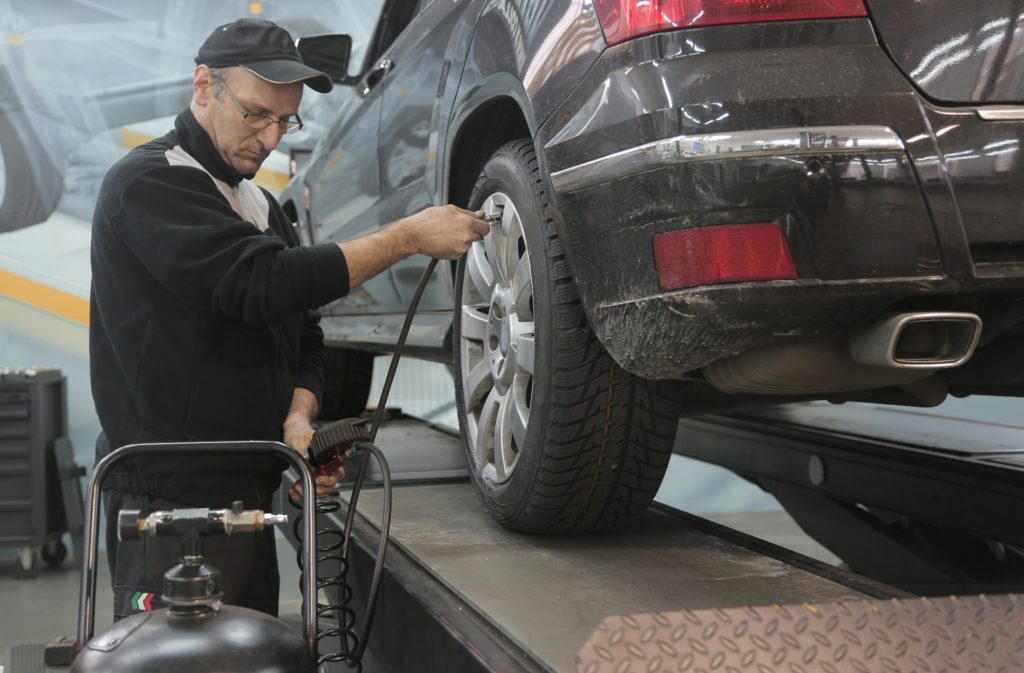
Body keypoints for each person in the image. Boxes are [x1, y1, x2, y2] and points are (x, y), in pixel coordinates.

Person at [89, 18, 488, 620]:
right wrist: (408, 235)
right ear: (204, 86)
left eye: (286, 121)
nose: (271, 137)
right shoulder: (149, 183)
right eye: (255, 115)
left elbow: (303, 330)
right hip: (169, 502)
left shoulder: (259, 204)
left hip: (245, 491)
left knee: (250, 653)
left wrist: (297, 419)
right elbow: (261, 283)